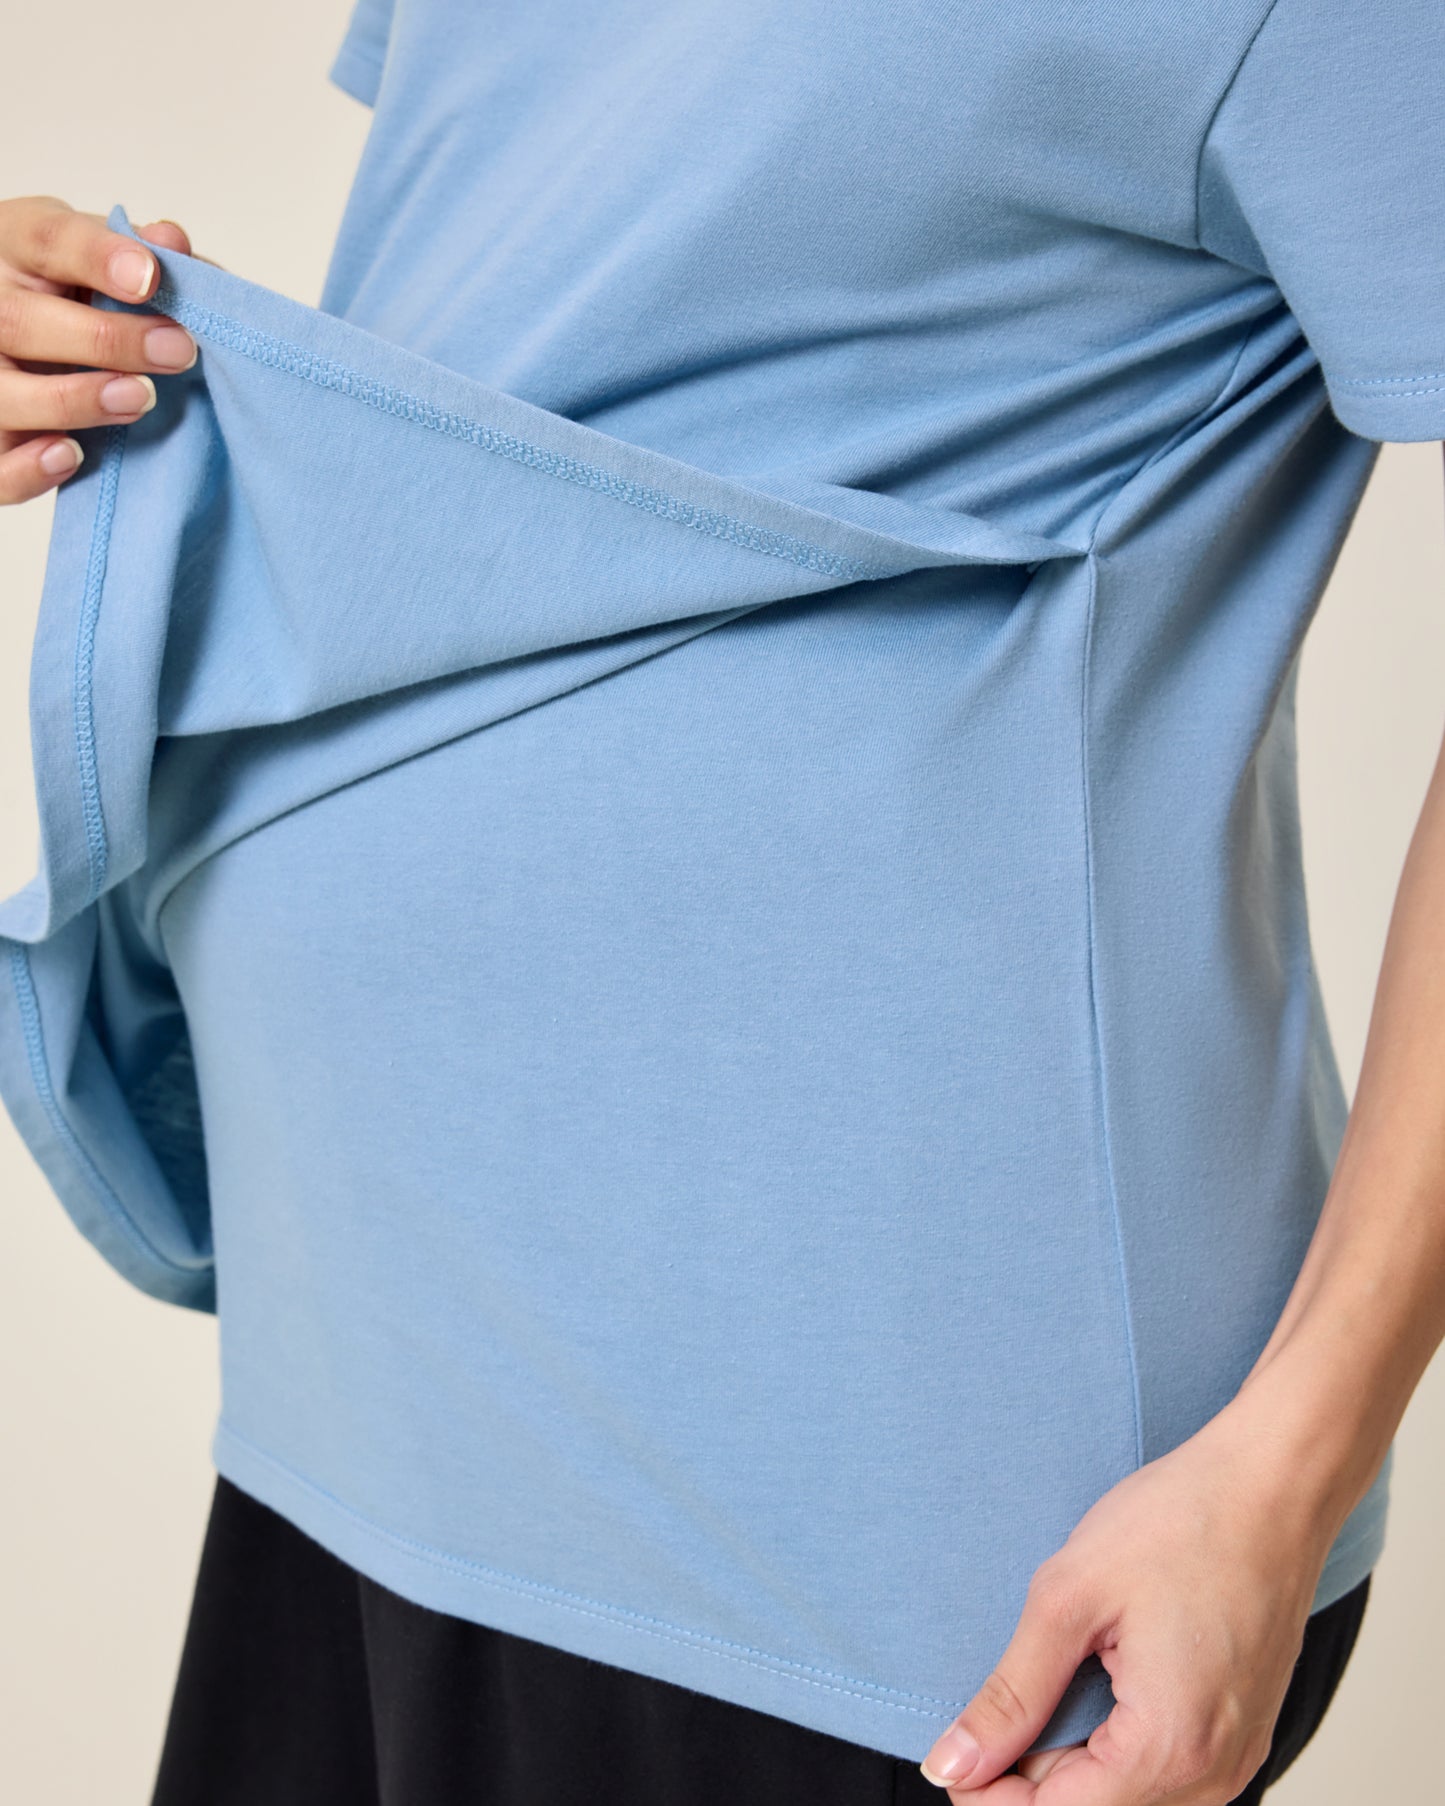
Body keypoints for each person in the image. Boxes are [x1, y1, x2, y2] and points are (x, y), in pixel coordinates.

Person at [1, 2, 1442, 1801]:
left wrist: (1288, 1466)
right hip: (364, 1391)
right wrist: (84, 343)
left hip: (852, 1546)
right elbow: (563, 334)